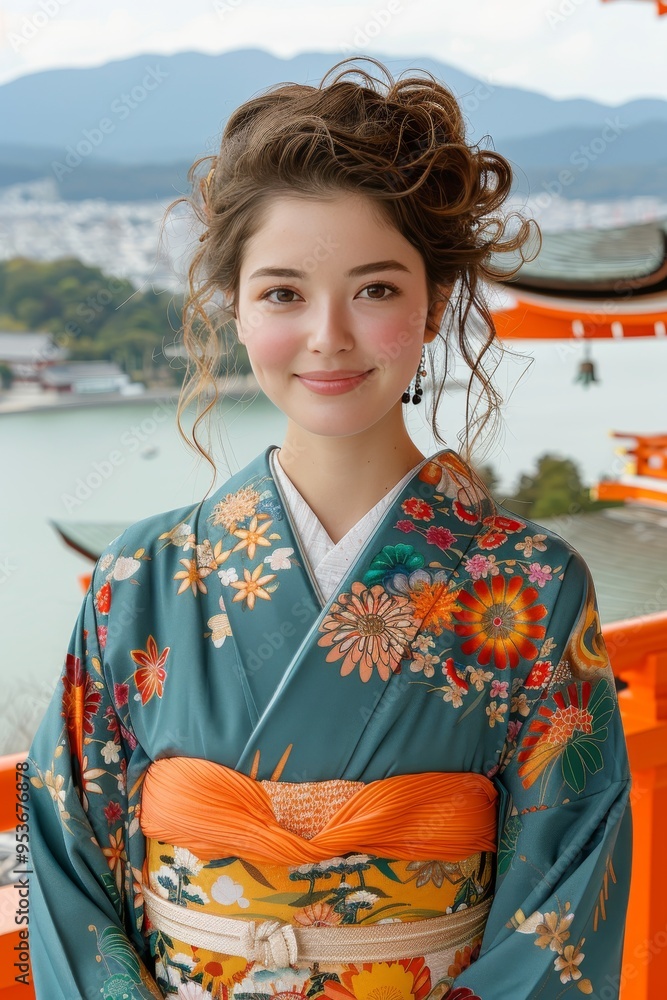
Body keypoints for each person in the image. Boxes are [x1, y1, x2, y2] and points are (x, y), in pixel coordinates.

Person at [26, 56, 631, 999]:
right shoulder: (138, 577)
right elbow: (63, 860)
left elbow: (563, 889)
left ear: (434, 304)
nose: (328, 336)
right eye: (282, 293)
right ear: (233, 305)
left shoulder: (534, 590)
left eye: (377, 289)